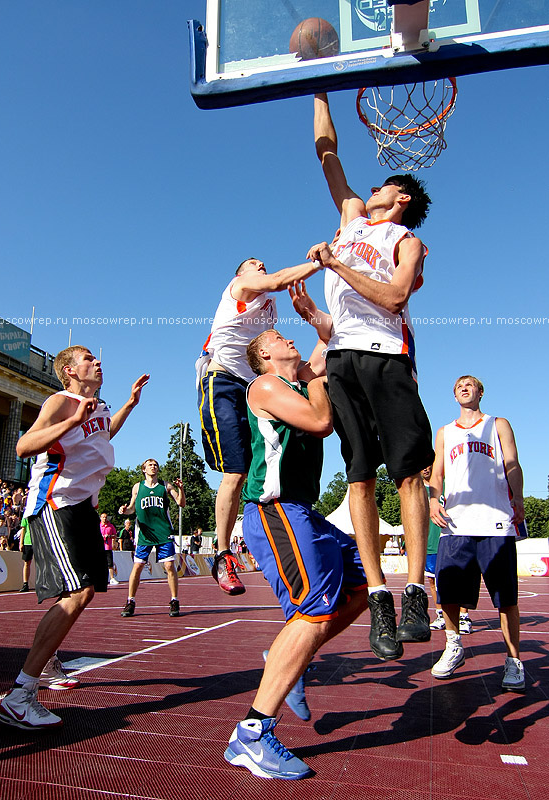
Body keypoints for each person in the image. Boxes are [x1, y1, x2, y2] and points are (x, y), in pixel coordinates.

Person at [295, 92, 435, 661]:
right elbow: (326, 153)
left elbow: (395, 296)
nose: (369, 188)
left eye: (382, 185)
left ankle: (415, 593)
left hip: (386, 355)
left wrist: (336, 265)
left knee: (407, 475)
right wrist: (320, 87)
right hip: (344, 356)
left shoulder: (407, 240)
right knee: (357, 475)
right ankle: (378, 597)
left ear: (400, 198)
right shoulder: (351, 217)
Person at [224, 329, 368, 780]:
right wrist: (318, 379)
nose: (288, 338)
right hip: (274, 512)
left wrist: (325, 320)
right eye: (278, 336)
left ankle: (284, 654)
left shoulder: (300, 380)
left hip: (303, 512)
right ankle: (251, 733)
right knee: (313, 613)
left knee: (361, 588)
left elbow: (326, 346)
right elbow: (321, 422)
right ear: (264, 354)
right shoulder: (265, 386)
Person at [0, 345, 149, 730]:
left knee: (88, 591)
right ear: (69, 370)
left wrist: (128, 406)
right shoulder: (60, 401)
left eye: (98, 358)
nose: (98, 361)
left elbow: (101, 435)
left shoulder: (96, 407)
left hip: (83, 506)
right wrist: (70, 419)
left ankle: (45, 664)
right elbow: (23, 446)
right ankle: (19, 696)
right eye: (88, 359)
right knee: (77, 592)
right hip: (55, 501)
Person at [197, 255, 324, 597]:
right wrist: (323, 261)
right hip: (222, 377)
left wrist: (316, 318)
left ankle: (266, 534)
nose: (261, 265)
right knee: (235, 471)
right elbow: (278, 280)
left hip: (253, 382)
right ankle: (222, 553)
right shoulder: (240, 287)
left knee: (262, 459)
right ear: (240, 274)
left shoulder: (270, 310)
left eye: (263, 262)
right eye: (254, 263)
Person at [428, 376, 525, 690]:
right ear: (454, 395)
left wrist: (519, 497)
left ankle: (513, 661)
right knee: (450, 593)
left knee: (506, 598)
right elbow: (437, 471)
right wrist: (432, 499)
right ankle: (453, 645)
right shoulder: (445, 432)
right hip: (456, 524)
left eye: (470, 384)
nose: (464, 388)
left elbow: (512, 462)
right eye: (458, 385)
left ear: (480, 392)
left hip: (496, 521)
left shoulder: (498, 424)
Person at [119, 459, 185, 618]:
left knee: (169, 566)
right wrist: (124, 510)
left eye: (155, 465)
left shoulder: (165, 485)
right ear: (144, 469)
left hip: (163, 531)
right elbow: (131, 508)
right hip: (144, 533)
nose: (153, 466)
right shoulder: (138, 487)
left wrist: (181, 489)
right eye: (150, 465)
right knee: (138, 567)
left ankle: (174, 600)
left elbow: (181, 503)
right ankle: (130, 601)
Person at [422, 466, 472, 634]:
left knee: (458, 579)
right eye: (422, 466)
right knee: (432, 581)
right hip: (428, 542)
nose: (426, 468)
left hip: (449, 538)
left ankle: (464, 617)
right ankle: (440, 615)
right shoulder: (416, 490)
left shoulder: (445, 485)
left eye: (429, 465)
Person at [99, 512, 118, 585]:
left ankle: (112, 578)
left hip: (108, 547)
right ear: (100, 518)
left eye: (105, 517)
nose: (104, 518)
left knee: (110, 563)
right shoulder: (98, 526)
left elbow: (115, 535)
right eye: (103, 517)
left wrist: (109, 536)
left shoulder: (111, 526)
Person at [19, 516, 33, 592]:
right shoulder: (26, 515)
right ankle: (25, 584)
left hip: (38, 541)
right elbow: (23, 529)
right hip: (28, 542)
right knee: (27, 562)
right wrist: (21, 543)